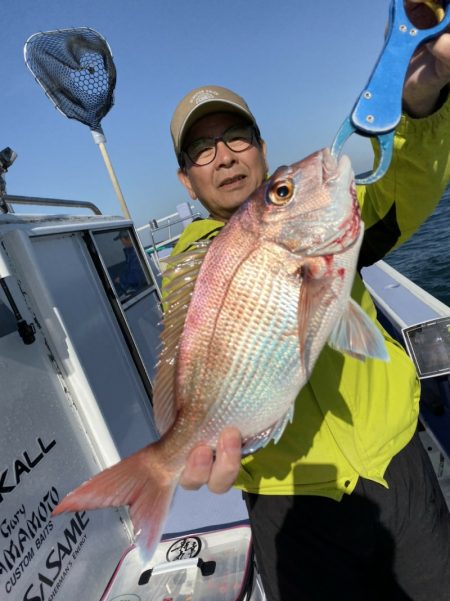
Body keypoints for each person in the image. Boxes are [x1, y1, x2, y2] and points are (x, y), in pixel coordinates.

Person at [167, 2, 450, 599]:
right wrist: (190, 441)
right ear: (186, 181)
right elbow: (196, 372)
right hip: (290, 504)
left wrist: (423, 99)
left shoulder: (334, 223)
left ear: (260, 147)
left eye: (235, 136)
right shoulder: (190, 269)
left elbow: (408, 189)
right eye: (201, 150)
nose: (223, 155)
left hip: (395, 461)